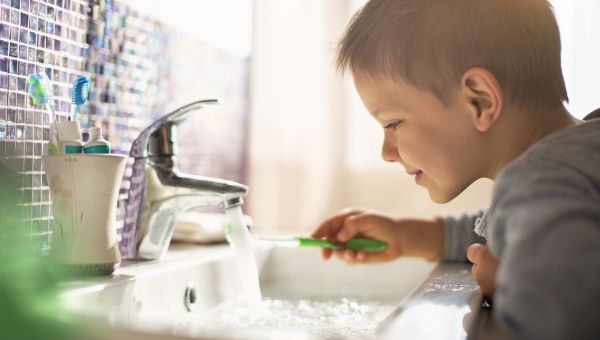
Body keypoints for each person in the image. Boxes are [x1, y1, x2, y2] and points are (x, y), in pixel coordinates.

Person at [311, 1, 600, 339]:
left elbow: (563, 318)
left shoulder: (540, 184)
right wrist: (407, 237)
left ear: (480, 101)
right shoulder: (575, 160)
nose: (386, 153)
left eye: (393, 123)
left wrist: (509, 285)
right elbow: (504, 225)